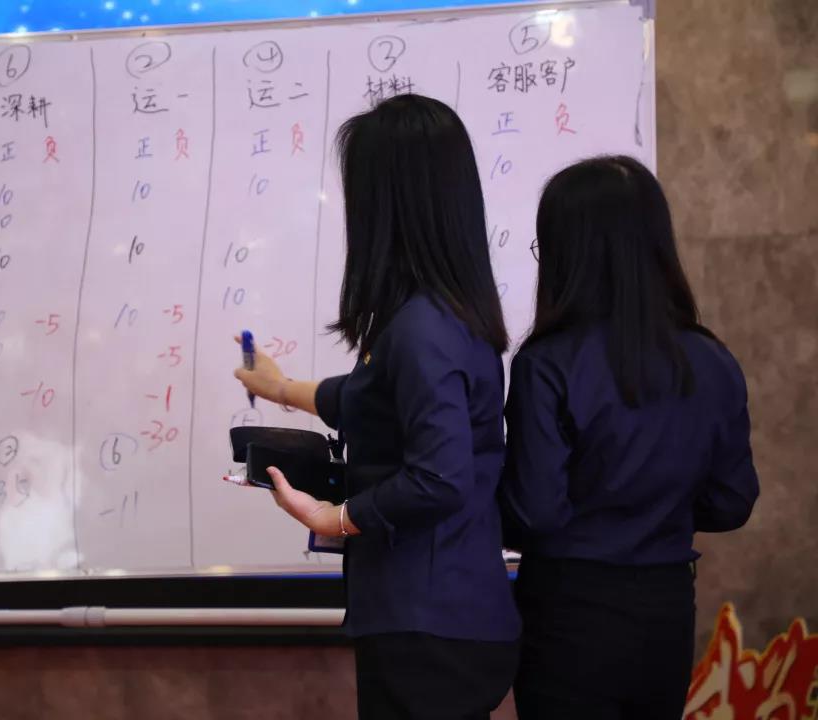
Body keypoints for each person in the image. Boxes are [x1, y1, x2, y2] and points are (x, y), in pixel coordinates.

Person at [232, 94, 520, 720]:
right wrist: (282, 388)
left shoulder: (422, 329)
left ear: (390, 203)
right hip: (443, 615)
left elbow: (439, 477)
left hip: (429, 624)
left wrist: (335, 516)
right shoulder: (442, 316)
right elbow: (367, 397)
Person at [499, 155, 759, 719]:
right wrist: (655, 512)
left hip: (569, 614)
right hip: (667, 609)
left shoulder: (547, 363)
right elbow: (732, 501)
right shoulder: (713, 359)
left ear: (568, 254)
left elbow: (535, 512)